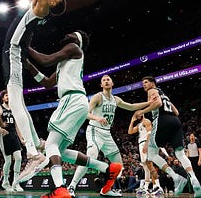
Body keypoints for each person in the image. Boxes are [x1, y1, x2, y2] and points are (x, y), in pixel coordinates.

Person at [25, 31, 128, 198]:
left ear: (78, 40)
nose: (67, 34)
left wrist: (26, 48)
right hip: (78, 102)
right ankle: (107, 168)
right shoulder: (65, 62)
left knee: (50, 145)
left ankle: (59, 188)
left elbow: (46, 60)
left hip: (71, 99)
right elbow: (47, 83)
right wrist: (29, 66)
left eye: (72, 33)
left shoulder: (74, 48)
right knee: (61, 151)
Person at [1, 0, 67, 179]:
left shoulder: (41, 7)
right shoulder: (37, 4)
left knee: (15, 99)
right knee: (18, 101)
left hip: (14, 51)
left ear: (52, 3)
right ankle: (37, 145)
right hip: (14, 52)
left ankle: (33, 152)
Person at [67, 74, 155, 198]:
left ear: (112, 83)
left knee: (118, 165)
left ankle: (106, 189)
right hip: (94, 130)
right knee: (91, 156)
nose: (106, 81)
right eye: (104, 80)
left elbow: (131, 106)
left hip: (107, 133)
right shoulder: (98, 97)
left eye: (108, 79)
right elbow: (85, 113)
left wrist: (149, 102)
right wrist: (97, 118)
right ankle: (71, 186)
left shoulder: (116, 99)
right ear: (101, 85)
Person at [135, 76, 201, 198]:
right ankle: (194, 179)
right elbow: (177, 112)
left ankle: (176, 178)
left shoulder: (152, 91)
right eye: (143, 83)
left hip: (162, 120)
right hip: (175, 121)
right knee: (180, 153)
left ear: (153, 83)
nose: (144, 85)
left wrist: (142, 111)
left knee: (151, 154)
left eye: (146, 82)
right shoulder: (164, 94)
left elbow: (158, 103)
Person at [0, 90, 24, 192]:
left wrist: (21, 139)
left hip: (13, 135)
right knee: (8, 160)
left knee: (19, 158)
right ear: (3, 98)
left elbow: (17, 125)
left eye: (9, 96)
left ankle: (16, 182)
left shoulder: (14, 109)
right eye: (6, 96)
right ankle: (5, 182)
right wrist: (0, 129)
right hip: (4, 135)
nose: (8, 97)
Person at [128, 113, 163, 196]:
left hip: (146, 144)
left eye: (138, 114)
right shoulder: (140, 124)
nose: (137, 116)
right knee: (146, 167)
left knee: (150, 165)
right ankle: (146, 188)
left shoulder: (146, 121)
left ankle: (158, 186)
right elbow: (130, 131)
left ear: (142, 114)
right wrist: (132, 121)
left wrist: (147, 144)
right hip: (141, 144)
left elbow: (150, 133)